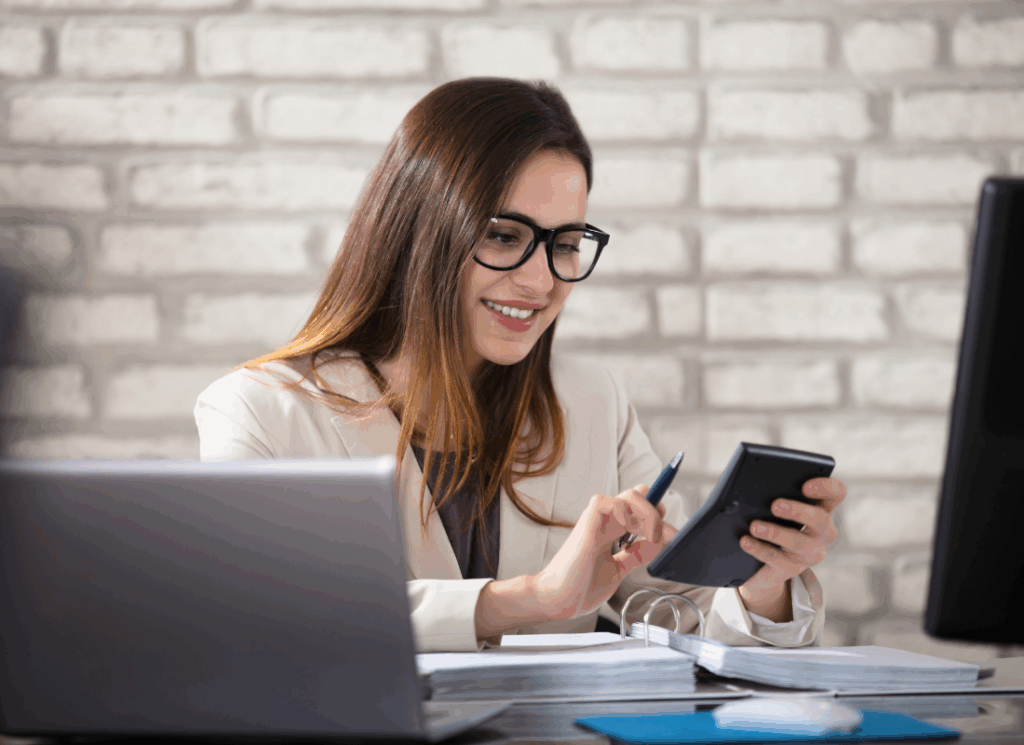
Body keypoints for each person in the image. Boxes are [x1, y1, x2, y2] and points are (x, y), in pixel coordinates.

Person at [195, 78, 845, 653]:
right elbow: (256, 625)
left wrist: (761, 585)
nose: (540, 280)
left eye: (565, 244)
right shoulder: (260, 413)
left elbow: (687, 619)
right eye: (504, 236)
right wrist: (530, 598)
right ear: (421, 230)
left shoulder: (593, 402)